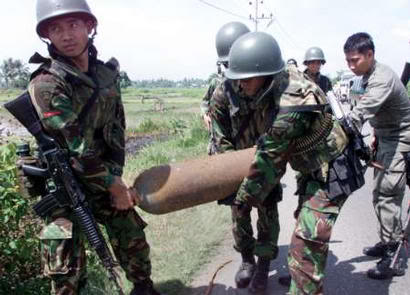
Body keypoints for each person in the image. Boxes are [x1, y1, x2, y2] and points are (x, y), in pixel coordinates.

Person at [27, 0, 161, 294]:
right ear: (47, 35)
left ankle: (143, 287)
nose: (66, 35)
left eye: (74, 24)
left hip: (99, 175)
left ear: (90, 26)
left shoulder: (106, 77)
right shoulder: (46, 83)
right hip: (61, 185)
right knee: (62, 261)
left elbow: (116, 132)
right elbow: (75, 145)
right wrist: (112, 184)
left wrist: (114, 176)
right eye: (56, 28)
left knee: (131, 232)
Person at [222, 31, 365, 294]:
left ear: (264, 72)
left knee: (306, 246)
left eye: (245, 79)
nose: (241, 86)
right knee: (303, 229)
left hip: (332, 173)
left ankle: (304, 285)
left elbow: (268, 163)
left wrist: (242, 202)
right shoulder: (278, 79)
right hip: (312, 169)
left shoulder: (290, 108)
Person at [209, 30, 283, 292]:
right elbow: (219, 135)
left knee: (267, 212)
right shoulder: (221, 94)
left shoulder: (275, 89)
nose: (238, 76)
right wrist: (232, 168)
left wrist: (264, 166)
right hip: (234, 163)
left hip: (267, 162)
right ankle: (246, 260)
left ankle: (263, 265)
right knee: (238, 212)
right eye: (229, 66)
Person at [344, 32, 410, 280]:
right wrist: (377, 135)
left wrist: (341, 127)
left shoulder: (381, 78)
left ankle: (392, 257)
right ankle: (386, 241)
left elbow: (363, 110)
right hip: (386, 138)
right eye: (347, 61)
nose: (351, 66)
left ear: (370, 55)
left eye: (355, 60)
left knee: (388, 196)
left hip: (400, 141)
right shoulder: (370, 74)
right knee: (379, 193)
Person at [200, 21, 250, 133]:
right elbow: (205, 102)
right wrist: (204, 114)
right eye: (228, 64)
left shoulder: (264, 82)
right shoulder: (218, 83)